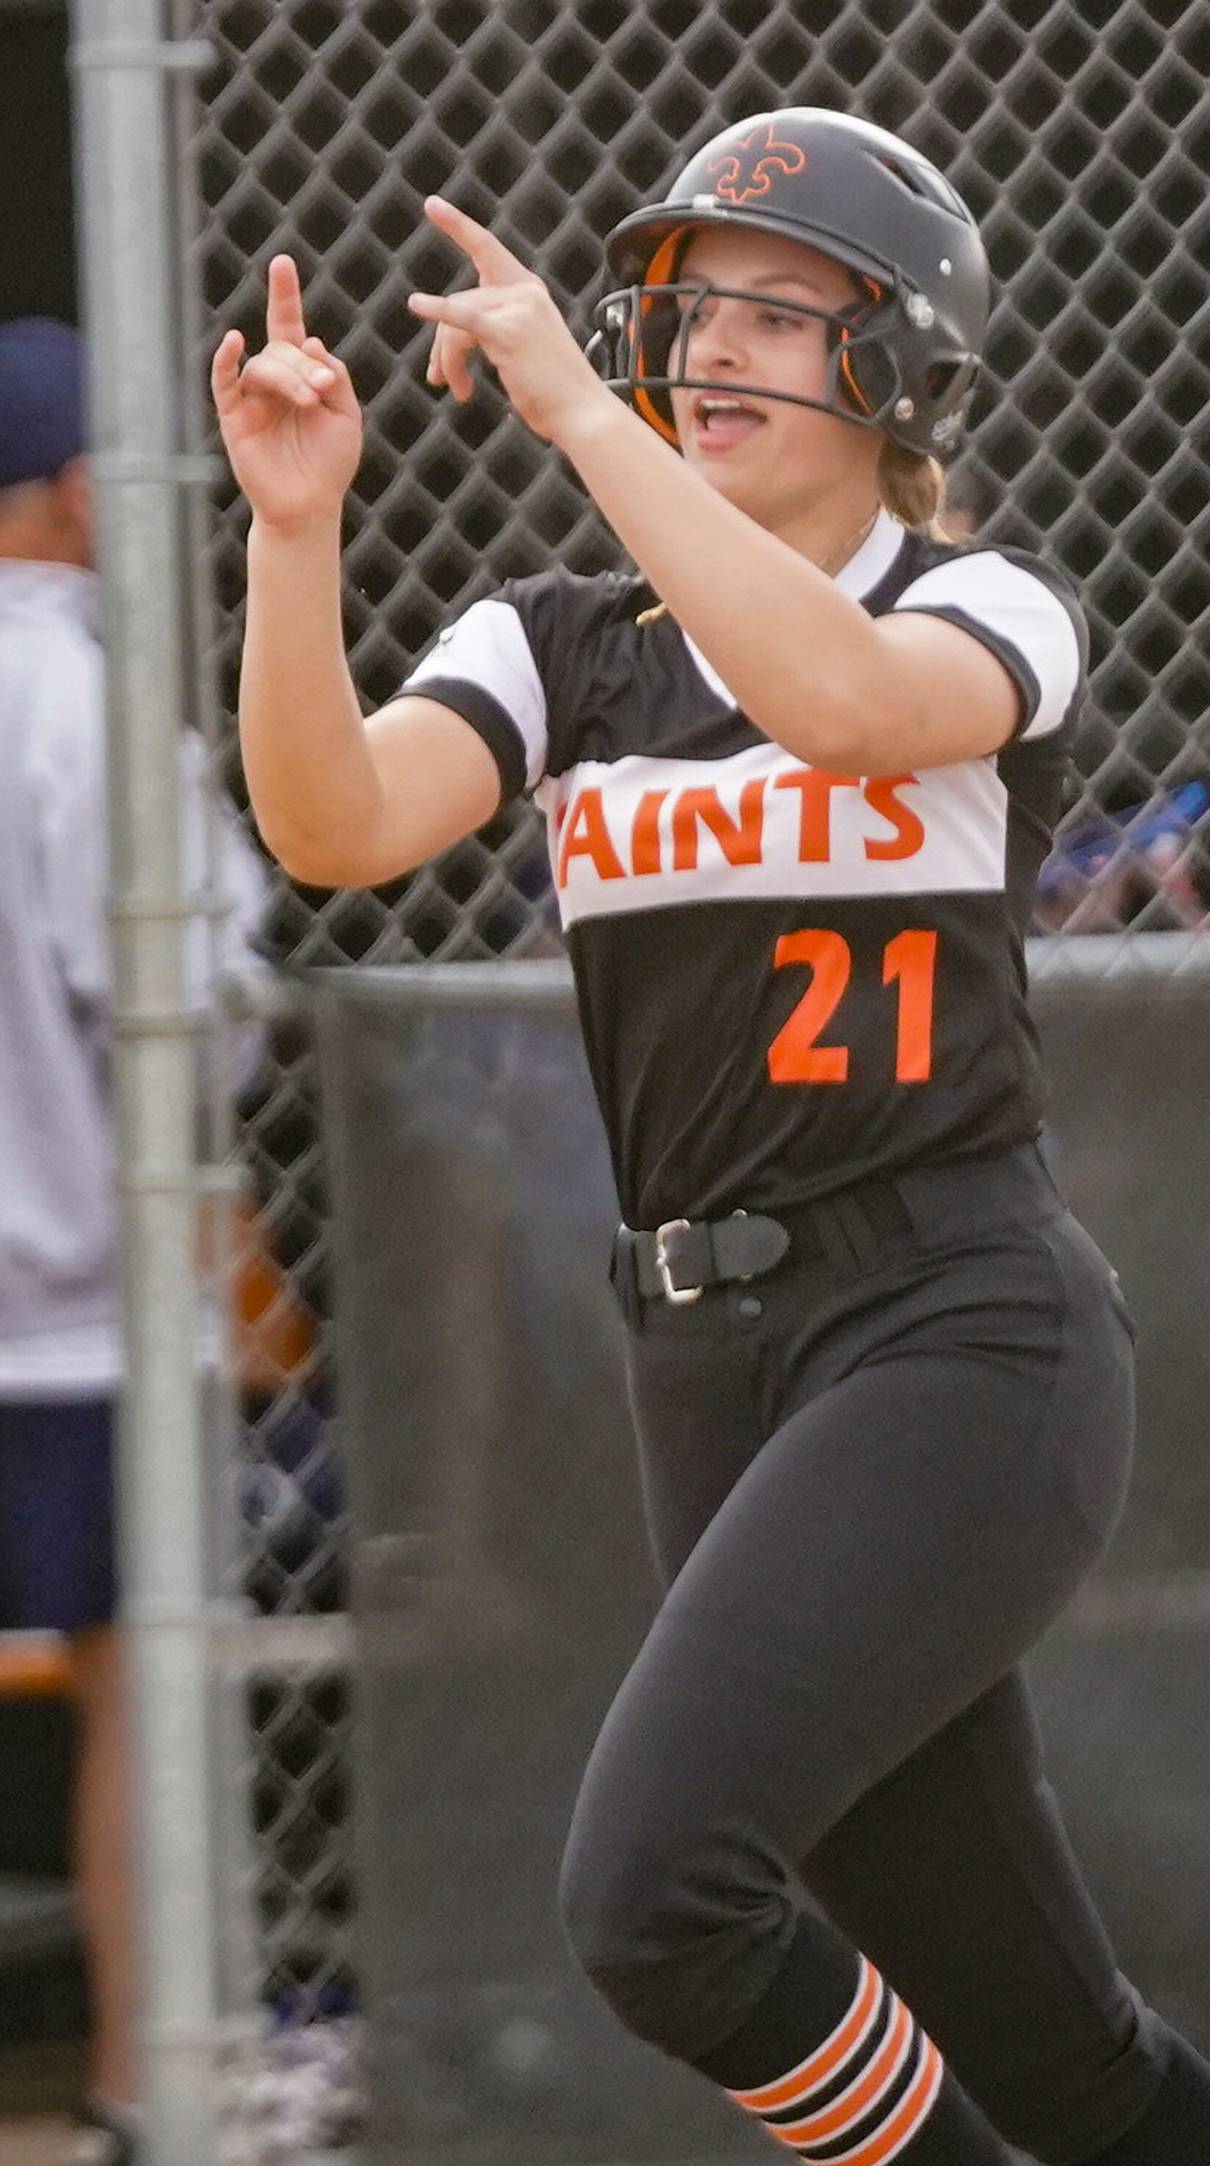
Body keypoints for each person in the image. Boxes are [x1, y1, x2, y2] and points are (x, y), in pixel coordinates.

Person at [213, 108, 1210, 2166]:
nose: (710, 355)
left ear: (897, 361)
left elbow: (855, 705)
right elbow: (332, 826)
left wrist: (583, 421)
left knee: (661, 1903)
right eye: (691, 315)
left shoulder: (985, 602)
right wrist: (293, 531)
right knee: (1049, 2043)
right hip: (703, 1361)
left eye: (778, 319)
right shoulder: (566, 642)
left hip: (956, 1329)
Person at [0, 315, 270, 2166]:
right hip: (86, 1297)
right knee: (141, 1675)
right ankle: (142, 2083)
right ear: (86, 494)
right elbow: (196, 1007)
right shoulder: (89, 697)